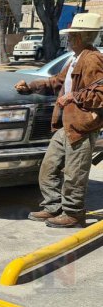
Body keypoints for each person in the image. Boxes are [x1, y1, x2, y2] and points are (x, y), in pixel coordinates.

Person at [15, 13, 103, 228]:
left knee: (74, 172)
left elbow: (100, 95)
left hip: (81, 125)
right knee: (49, 167)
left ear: (82, 37)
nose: (69, 39)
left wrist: (74, 96)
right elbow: (58, 81)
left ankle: (73, 213)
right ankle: (53, 206)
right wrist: (31, 87)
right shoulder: (76, 58)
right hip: (68, 124)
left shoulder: (92, 59)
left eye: (72, 36)